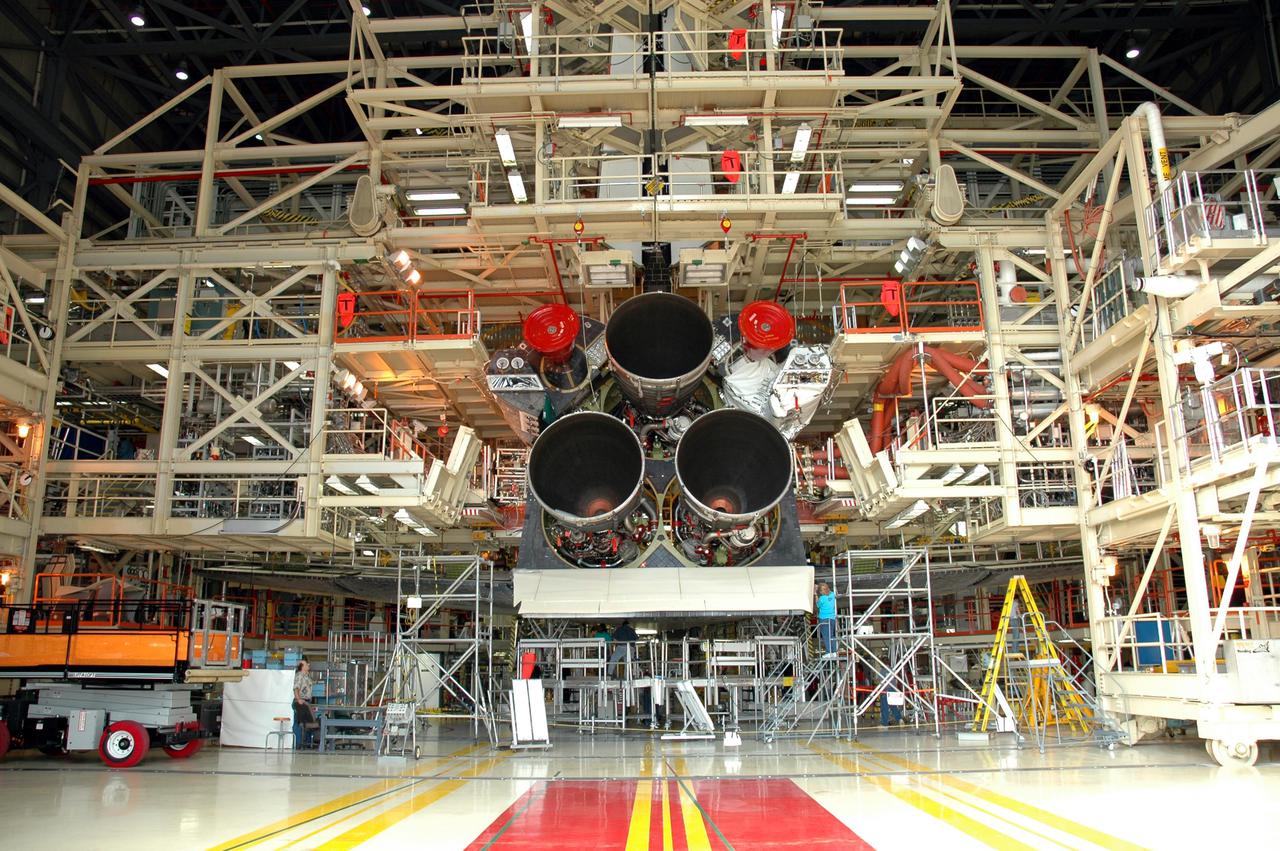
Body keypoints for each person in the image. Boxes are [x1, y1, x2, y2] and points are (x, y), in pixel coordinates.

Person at [292, 659, 317, 749]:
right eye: (306, 664)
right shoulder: (299, 676)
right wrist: (298, 699)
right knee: (299, 722)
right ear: (302, 666)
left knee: (308, 723)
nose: (308, 665)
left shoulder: (307, 676)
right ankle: (297, 744)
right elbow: (296, 688)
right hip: (301, 702)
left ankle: (307, 743)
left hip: (307, 701)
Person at [816, 583, 837, 658]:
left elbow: (817, 605)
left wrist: (816, 595)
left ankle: (829, 652)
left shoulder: (822, 599)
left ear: (821, 591)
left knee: (826, 636)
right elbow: (831, 593)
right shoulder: (832, 595)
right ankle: (834, 651)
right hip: (832, 618)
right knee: (831, 635)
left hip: (824, 618)